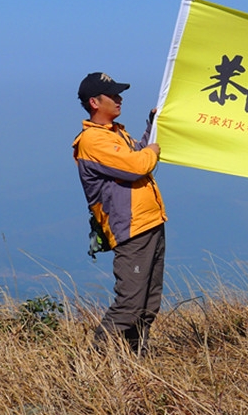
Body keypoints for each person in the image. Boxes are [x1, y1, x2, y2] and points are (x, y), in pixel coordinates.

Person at [72, 72, 167, 356]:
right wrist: (152, 151)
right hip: (132, 230)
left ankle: (134, 362)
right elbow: (137, 165)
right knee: (129, 304)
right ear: (94, 102)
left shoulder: (115, 133)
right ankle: (93, 365)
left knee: (148, 304)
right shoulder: (92, 141)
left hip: (149, 223)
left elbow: (137, 152)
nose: (119, 99)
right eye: (112, 95)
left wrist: (153, 125)